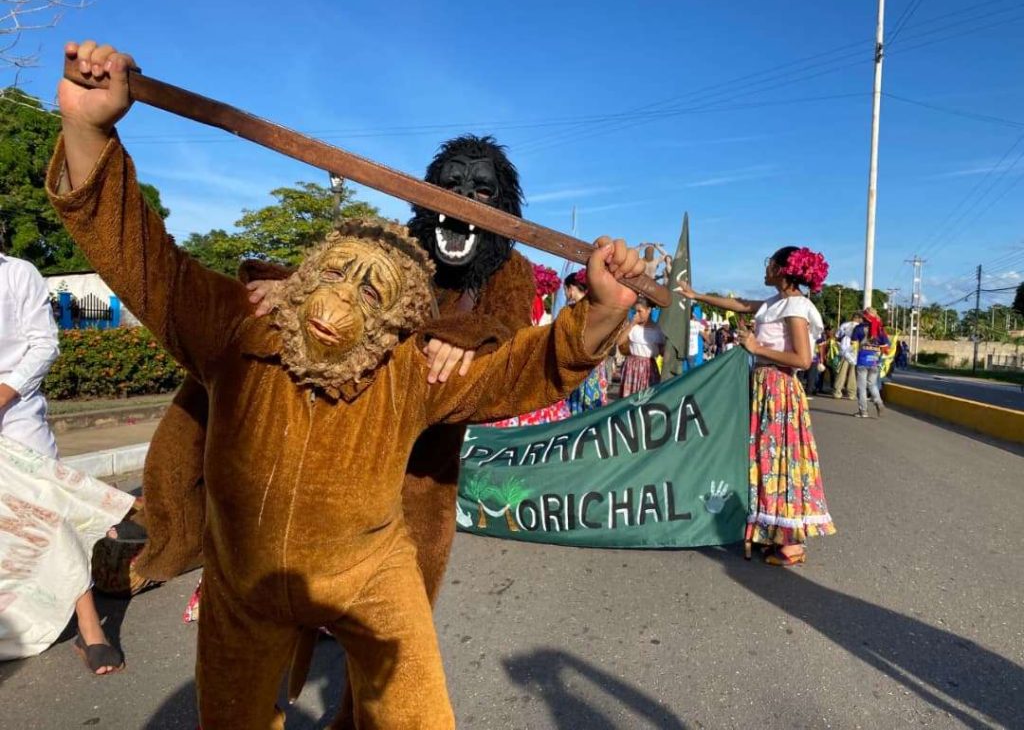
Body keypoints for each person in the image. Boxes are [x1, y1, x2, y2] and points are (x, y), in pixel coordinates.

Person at [50, 39, 647, 728]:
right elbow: (147, 263)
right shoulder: (243, 328)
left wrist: (598, 311)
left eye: (373, 288)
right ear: (302, 275)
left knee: (401, 705)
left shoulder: (406, 368)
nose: (344, 302)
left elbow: (521, 367)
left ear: (397, 313)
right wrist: (87, 130)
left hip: (376, 561)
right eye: (335, 273)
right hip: (249, 585)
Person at [0, 252, 132, 673]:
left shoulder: (17, 273)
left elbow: (44, 344)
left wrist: (3, 395)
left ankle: (89, 625)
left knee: (51, 511)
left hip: (15, 411)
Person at [676, 246, 835, 566]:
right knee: (764, 459)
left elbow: (802, 360)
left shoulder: (796, 306)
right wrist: (697, 295)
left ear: (783, 270)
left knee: (780, 459)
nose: (765, 269)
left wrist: (756, 346)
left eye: (770, 263)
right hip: (764, 384)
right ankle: (774, 532)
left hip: (778, 386)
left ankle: (792, 543)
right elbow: (739, 304)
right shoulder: (776, 303)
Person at [563, 270, 609, 414]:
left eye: (565, 290)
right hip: (594, 360)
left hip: (580, 362)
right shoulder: (597, 308)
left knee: (577, 405)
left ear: (570, 289)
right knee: (591, 408)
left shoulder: (573, 310)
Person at [617, 297, 665, 397]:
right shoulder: (633, 327)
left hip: (649, 368)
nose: (636, 314)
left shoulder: (657, 329)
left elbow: (662, 351)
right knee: (629, 398)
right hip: (632, 366)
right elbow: (619, 341)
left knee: (646, 398)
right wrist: (632, 324)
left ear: (649, 310)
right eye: (635, 311)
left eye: (640, 311)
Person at [851, 308, 889, 419]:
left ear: (864, 317)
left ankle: (863, 411)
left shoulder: (859, 328)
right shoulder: (880, 330)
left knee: (862, 387)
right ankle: (879, 403)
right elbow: (885, 347)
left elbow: (853, 344)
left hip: (862, 361)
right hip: (874, 361)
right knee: (872, 384)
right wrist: (877, 356)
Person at [831, 313, 862, 399]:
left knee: (842, 372)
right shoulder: (860, 327)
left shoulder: (844, 325)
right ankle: (852, 394)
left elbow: (837, 336)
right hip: (855, 352)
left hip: (845, 351)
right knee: (853, 374)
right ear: (858, 318)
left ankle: (837, 392)